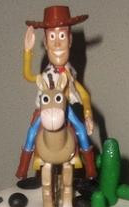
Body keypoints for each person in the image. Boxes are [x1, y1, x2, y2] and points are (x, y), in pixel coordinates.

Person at [16, 5, 97, 179]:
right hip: (45, 109)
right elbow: (28, 75)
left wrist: (88, 114)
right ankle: (23, 167)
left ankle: (90, 168)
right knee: (31, 132)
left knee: (81, 130)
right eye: (52, 37)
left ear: (70, 40)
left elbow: (84, 94)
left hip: (65, 110)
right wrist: (27, 51)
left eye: (62, 36)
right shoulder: (45, 74)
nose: (58, 43)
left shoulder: (70, 74)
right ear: (46, 43)